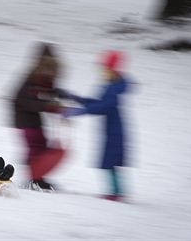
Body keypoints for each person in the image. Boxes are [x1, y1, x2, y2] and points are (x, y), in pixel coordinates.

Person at [62, 50, 130, 201]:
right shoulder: (112, 86)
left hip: (115, 131)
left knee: (109, 162)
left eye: (105, 69)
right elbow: (97, 102)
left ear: (113, 70)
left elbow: (103, 107)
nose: (102, 72)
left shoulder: (114, 89)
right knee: (109, 163)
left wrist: (79, 111)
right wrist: (75, 98)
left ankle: (117, 192)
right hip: (111, 129)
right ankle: (116, 192)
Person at [12, 42, 66, 191]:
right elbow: (24, 100)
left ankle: (38, 178)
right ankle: (32, 179)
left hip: (34, 117)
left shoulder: (43, 76)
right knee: (35, 146)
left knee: (42, 146)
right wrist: (47, 105)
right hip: (23, 117)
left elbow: (48, 94)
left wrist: (57, 101)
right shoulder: (31, 77)